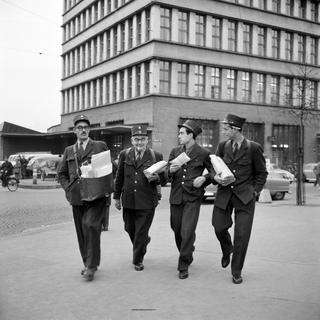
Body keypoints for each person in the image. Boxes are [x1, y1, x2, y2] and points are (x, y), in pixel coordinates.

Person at [211, 114, 268, 284]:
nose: (224, 132)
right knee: (218, 227)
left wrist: (254, 192)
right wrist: (216, 178)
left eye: (226, 129)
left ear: (236, 129)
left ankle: (236, 271)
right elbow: (214, 167)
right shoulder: (222, 146)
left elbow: (261, 173)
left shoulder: (253, 148)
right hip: (224, 194)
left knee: (241, 236)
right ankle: (227, 248)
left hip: (245, 198)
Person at [58, 114, 109, 281]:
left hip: (96, 196)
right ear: (75, 131)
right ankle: (87, 263)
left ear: (89, 129)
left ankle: (92, 266)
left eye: (86, 127)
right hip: (77, 198)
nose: (83, 130)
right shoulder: (68, 151)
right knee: (81, 232)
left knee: (91, 226)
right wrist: (68, 189)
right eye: (80, 128)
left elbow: (110, 168)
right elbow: (62, 174)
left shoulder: (99, 146)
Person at [166, 119, 214, 279]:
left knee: (187, 231)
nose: (179, 136)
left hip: (193, 197)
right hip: (176, 196)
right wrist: (170, 171)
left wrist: (205, 178)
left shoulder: (203, 153)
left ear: (191, 135)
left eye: (181, 133)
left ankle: (183, 265)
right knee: (177, 229)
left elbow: (214, 172)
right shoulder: (175, 151)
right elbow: (165, 174)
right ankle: (188, 251)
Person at [113, 125, 165, 271]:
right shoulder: (124, 154)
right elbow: (119, 177)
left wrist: (156, 177)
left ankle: (138, 260)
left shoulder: (156, 156)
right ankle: (143, 242)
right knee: (129, 228)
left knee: (141, 232)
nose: (139, 143)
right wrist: (116, 197)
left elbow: (164, 180)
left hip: (147, 201)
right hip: (129, 200)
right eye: (136, 139)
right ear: (131, 140)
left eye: (142, 139)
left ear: (147, 140)